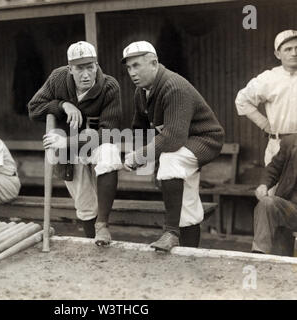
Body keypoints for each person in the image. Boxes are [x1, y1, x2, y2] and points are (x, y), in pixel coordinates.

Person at [122, 41, 224, 251]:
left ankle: (171, 233)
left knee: (171, 159)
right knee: (186, 201)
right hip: (182, 143)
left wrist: (139, 157)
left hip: (205, 140)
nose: (132, 72)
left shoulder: (173, 86)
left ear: (154, 63)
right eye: (129, 67)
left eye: (137, 65)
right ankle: (188, 254)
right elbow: (140, 128)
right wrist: (148, 162)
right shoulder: (141, 91)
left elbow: (172, 139)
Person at [28, 41, 122, 245]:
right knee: (84, 201)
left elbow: (107, 134)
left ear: (96, 65)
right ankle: (94, 242)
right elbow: (34, 109)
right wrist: (63, 105)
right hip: (67, 149)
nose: (86, 74)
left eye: (90, 67)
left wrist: (67, 142)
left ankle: (102, 226)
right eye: (80, 68)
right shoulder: (58, 78)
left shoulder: (109, 85)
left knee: (109, 155)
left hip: (92, 143)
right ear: (70, 69)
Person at [235, 30, 297, 166]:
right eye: (288, 49)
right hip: (278, 145)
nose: (294, 53)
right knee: (274, 186)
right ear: (278, 54)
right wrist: (264, 124)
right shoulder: (269, 78)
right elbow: (242, 100)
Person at [252, 134, 297, 256]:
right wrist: (264, 185)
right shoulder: (290, 142)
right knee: (266, 203)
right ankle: (259, 256)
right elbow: (274, 168)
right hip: (290, 208)